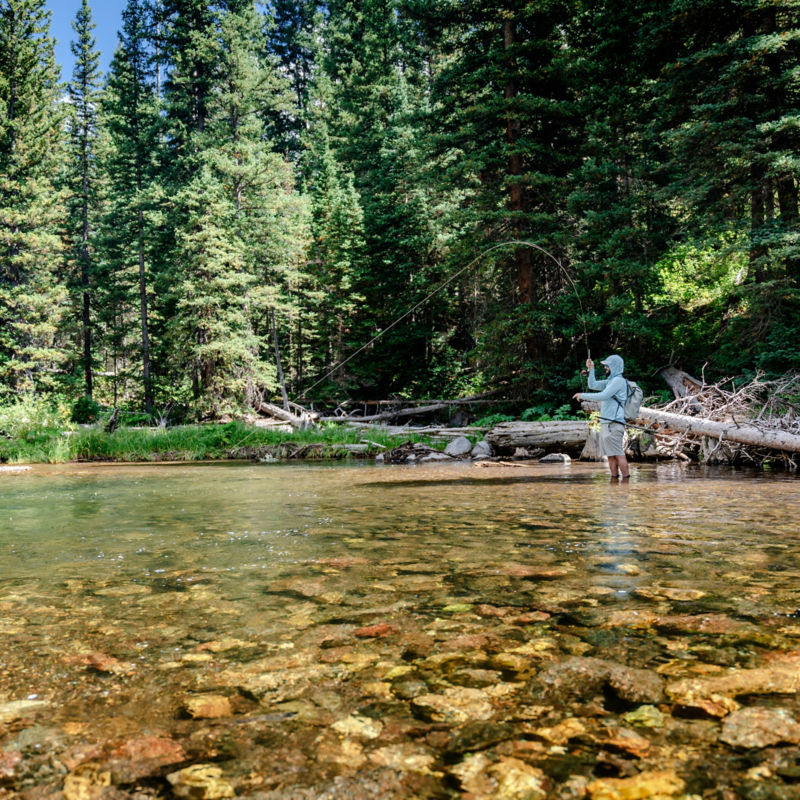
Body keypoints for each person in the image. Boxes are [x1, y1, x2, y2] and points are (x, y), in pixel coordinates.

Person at [572, 354, 630, 480]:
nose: (605, 368)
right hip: (606, 423)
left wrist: (582, 395)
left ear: (614, 367)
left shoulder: (618, 381)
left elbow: (603, 396)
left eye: (607, 366)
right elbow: (592, 385)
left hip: (614, 423)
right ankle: (614, 482)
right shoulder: (610, 381)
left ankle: (626, 483)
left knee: (618, 453)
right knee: (610, 454)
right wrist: (591, 369)